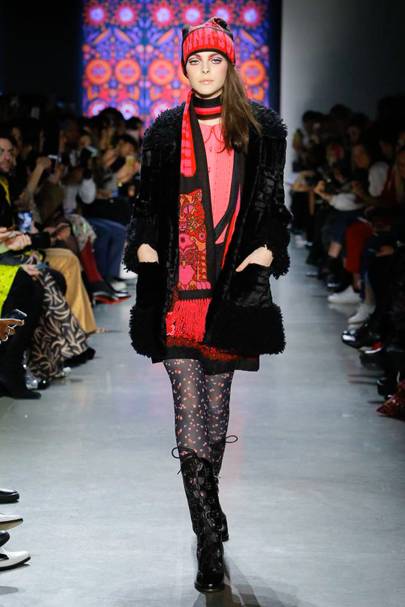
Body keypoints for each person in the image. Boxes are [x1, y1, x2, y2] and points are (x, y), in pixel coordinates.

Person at [124, 17, 291, 593]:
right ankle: (207, 541)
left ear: (229, 65)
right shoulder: (164, 132)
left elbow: (273, 208)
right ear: (184, 68)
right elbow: (145, 205)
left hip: (230, 290)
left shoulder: (262, 130)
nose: (203, 69)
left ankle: (208, 506)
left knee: (216, 416)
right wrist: (143, 245)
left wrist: (267, 251)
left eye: (213, 59)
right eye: (193, 61)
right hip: (177, 291)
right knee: (190, 413)